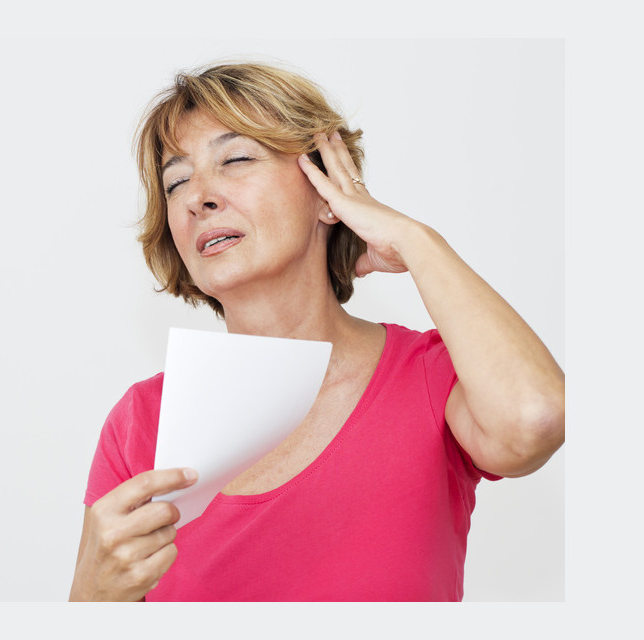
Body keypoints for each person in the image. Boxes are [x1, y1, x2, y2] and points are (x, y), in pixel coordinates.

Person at [68, 62, 564, 602]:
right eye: (177, 181)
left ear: (326, 190)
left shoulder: (430, 377)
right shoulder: (139, 425)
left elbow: (535, 418)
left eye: (235, 159)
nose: (197, 197)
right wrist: (91, 598)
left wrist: (414, 240)